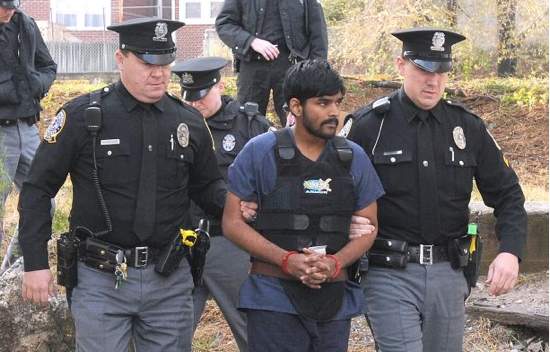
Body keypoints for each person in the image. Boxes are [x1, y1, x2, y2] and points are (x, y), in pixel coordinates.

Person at [18, 17, 227, 352]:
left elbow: (208, 188)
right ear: (121, 59)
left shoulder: (188, 122)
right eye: (147, 63)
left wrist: (241, 206)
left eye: (165, 63)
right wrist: (35, 262)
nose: (159, 73)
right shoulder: (83, 116)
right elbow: (38, 188)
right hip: (100, 279)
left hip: (168, 280)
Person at [347, 28, 528, 352]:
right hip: (389, 272)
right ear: (401, 65)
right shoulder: (369, 126)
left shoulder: (468, 127)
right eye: (423, 70)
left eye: (442, 71)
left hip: (449, 272)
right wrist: (346, 224)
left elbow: (508, 194)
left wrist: (510, 251)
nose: (433, 81)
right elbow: (332, 187)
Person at [222, 59, 384, 352]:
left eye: (337, 102)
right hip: (273, 296)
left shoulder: (353, 158)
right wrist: (286, 260)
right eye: (323, 103)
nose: (334, 112)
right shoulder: (259, 152)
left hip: (333, 297)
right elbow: (232, 223)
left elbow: (369, 227)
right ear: (296, 106)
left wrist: (335, 263)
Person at [171, 56, 272, 352]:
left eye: (202, 96)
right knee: (170, 333)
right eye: (189, 98)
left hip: (230, 242)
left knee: (252, 328)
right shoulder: (173, 123)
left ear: (221, 85)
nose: (195, 104)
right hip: (183, 244)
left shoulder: (250, 126)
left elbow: (276, 181)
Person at [215, 0, 328, 127]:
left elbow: (318, 36)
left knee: (299, 124)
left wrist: (317, 73)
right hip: (252, 65)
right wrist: (251, 41)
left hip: (293, 67)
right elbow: (224, 24)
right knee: (247, 124)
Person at [0, 0, 56, 250]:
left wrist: (37, 83)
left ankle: (14, 268)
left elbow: (48, 67)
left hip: (28, 127)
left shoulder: (26, 25)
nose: (8, 12)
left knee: (43, 201)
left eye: (12, 6)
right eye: (3, 6)